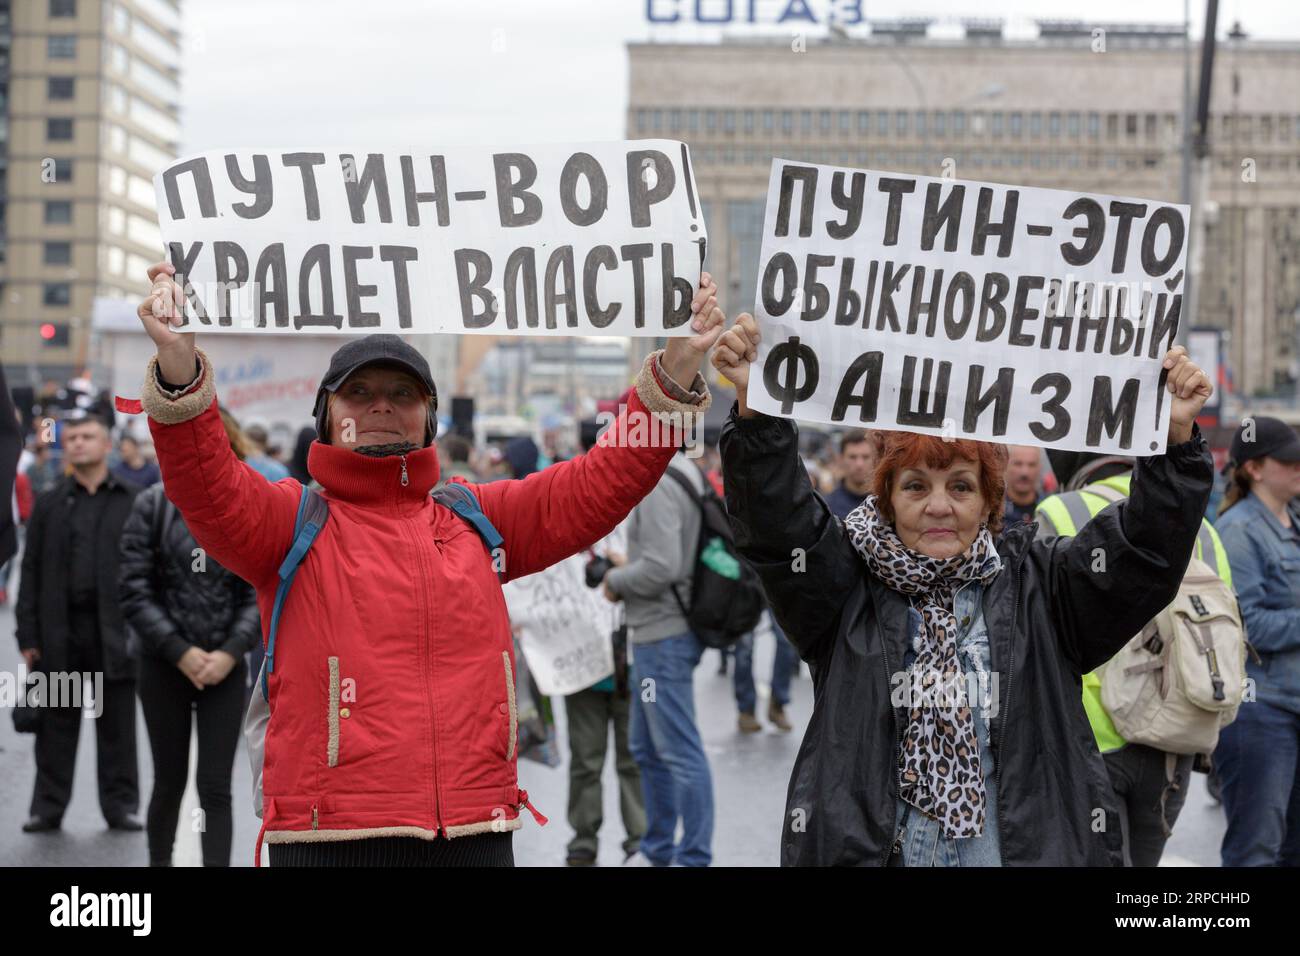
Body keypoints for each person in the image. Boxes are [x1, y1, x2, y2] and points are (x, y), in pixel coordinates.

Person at [135, 261, 721, 867]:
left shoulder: (475, 517)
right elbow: (207, 487)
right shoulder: (290, 523)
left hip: (474, 830)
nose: (382, 406)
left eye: (403, 394)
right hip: (330, 838)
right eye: (359, 393)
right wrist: (179, 368)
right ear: (328, 418)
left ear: (429, 418)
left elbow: (597, 484)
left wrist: (674, 372)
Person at [712, 312, 1215, 866]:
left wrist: (1174, 442)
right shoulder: (842, 587)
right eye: (914, 486)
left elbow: (1144, 553)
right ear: (887, 498)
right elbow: (776, 526)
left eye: (960, 486)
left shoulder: (1040, 587)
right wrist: (756, 413)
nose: (938, 506)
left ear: (987, 501)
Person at [1034, 445, 1231, 866]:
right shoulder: (1202, 526)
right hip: (1174, 736)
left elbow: (1041, 625)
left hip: (1094, 738)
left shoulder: (1061, 508)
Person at [119, 408, 263, 866]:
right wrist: (181, 652)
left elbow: (258, 590)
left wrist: (228, 653)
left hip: (225, 665)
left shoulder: (243, 506)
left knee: (216, 788)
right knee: (168, 782)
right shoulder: (152, 505)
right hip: (163, 665)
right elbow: (135, 590)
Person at [16, 414, 143, 833]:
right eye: (71, 438)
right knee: (55, 726)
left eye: (88, 436)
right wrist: (28, 634)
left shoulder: (132, 499)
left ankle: (120, 805)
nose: (78, 444)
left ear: (107, 445)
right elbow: (29, 571)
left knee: (118, 727)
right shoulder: (50, 502)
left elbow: (148, 569)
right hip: (59, 634)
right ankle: (47, 807)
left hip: (114, 633)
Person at [600, 445, 715, 867]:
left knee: (678, 751)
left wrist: (616, 578)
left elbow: (662, 567)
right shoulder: (681, 471)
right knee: (646, 747)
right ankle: (657, 848)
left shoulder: (657, 481)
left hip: (664, 637)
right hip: (658, 635)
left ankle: (692, 856)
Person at [1213, 415, 1300, 866]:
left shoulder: (1291, 522)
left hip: (1291, 705)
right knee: (1256, 849)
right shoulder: (1241, 530)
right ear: (1255, 469)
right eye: (1288, 461)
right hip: (1261, 711)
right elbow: (1247, 628)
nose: (1298, 468)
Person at [733, 610, 798, 733]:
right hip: (748, 591)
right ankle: (746, 710)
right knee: (744, 648)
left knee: (787, 641)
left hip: (778, 590)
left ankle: (777, 705)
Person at [826, 429, 881, 520]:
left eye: (866, 457)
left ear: (875, 459)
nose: (859, 464)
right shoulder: (828, 507)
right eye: (852, 457)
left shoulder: (887, 505)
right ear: (841, 459)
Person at [1002, 445, 1042, 528]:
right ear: (1006, 465)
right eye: (1018, 464)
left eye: (1031, 465)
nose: (1025, 473)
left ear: (1039, 468)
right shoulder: (993, 512)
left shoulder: (1048, 511)